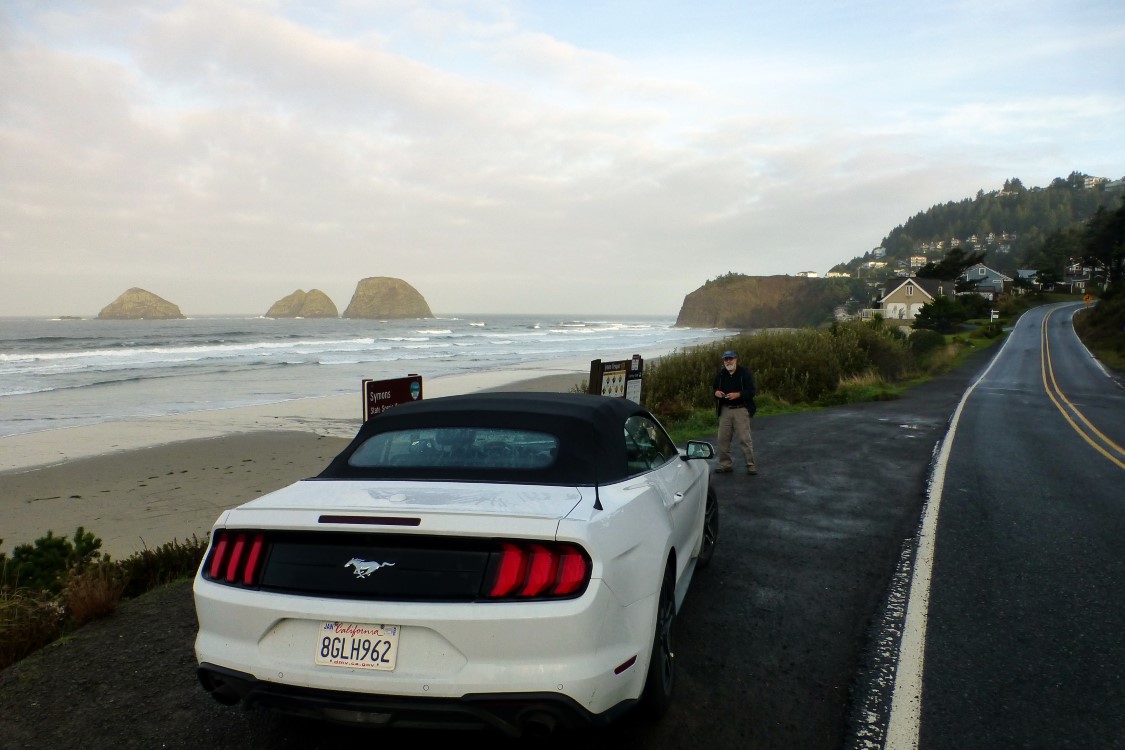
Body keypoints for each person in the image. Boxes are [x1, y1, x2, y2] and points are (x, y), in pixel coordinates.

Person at [712, 350, 757, 475]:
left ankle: (751, 465)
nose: (728, 361)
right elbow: (715, 388)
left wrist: (738, 394)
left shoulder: (745, 373)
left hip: (741, 409)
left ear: (736, 359)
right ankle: (725, 465)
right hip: (725, 410)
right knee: (722, 439)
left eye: (730, 358)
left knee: (744, 439)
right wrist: (716, 393)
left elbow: (752, 391)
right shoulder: (721, 374)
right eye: (726, 359)